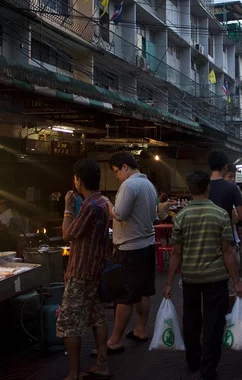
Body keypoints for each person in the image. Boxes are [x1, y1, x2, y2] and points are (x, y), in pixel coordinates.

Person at [163, 170, 242, 380]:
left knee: (191, 320)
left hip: (190, 277)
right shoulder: (220, 214)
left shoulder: (181, 216)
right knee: (213, 323)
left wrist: (168, 283)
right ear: (207, 189)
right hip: (216, 279)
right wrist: (236, 281)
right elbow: (227, 252)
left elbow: (176, 253)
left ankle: (193, 360)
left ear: (190, 191)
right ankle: (208, 368)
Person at [57, 159, 111, 380]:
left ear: (79, 181)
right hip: (96, 270)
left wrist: (68, 209)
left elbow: (67, 234)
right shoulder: (103, 202)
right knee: (97, 316)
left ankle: (73, 372)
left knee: (70, 322)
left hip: (80, 271)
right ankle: (102, 364)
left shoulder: (89, 206)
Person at [103, 152, 158, 354]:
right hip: (147, 244)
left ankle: (115, 340)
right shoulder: (149, 185)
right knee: (143, 291)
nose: (117, 176)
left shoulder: (129, 185)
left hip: (130, 248)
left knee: (124, 295)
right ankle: (141, 330)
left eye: (117, 171)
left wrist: (107, 204)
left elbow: (119, 214)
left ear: (125, 167)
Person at [208, 153, 242, 311]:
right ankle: (229, 321)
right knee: (232, 284)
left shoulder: (203, 186)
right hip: (227, 241)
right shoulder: (232, 188)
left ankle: (214, 317)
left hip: (206, 242)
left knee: (211, 286)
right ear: (225, 167)